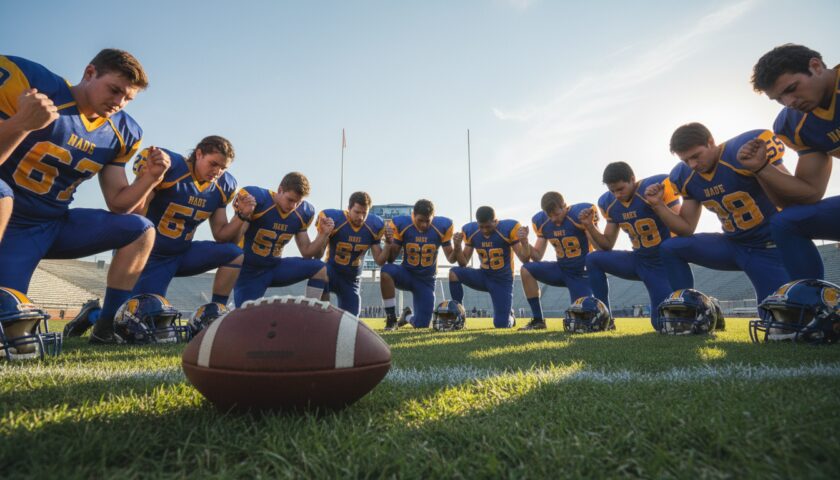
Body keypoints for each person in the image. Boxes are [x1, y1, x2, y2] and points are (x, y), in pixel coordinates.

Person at [0, 50, 166, 344]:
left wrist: (149, 179)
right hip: (7, 215)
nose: (119, 103)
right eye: (115, 90)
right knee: (10, 324)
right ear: (90, 73)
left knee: (141, 230)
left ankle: (105, 326)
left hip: (51, 224)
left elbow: (118, 203)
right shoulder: (30, 84)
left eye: (127, 98)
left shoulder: (121, 131)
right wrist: (20, 124)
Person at [64, 136, 251, 336]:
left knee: (233, 252)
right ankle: (95, 315)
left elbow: (222, 235)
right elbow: (135, 216)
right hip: (148, 257)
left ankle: (216, 315)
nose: (218, 171)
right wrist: (151, 178)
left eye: (223, 168)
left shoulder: (223, 187)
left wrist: (242, 216)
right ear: (198, 154)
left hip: (181, 253)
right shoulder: (172, 168)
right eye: (213, 164)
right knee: (142, 317)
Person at [650, 123, 790, 313]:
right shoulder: (685, 176)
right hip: (733, 244)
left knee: (777, 318)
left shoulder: (742, 153)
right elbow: (685, 228)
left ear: (710, 142)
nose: (692, 165)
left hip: (767, 246)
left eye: (695, 156)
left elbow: (791, 199)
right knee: (671, 247)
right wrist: (658, 205)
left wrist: (761, 166)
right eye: (686, 160)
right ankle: (690, 310)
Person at [738, 44, 840, 280]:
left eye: (792, 89)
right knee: (787, 222)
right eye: (779, 99)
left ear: (815, 66)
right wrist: (762, 169)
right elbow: (808, 194)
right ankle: (813, 305)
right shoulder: (794, 124)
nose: (789, 102)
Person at [581, 162, 680, 330]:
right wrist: (590, 226)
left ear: (632, 179)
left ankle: (708, 306)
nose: (617, 195)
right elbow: (606, 245)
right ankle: (604, 317)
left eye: (621, 189)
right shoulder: (609, 203)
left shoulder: (654, 188)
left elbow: (679, 227)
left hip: (661, 264)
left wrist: (658, 204)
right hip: (638, 259)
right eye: (612, 191)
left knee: (662, 324)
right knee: (593, 258)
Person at [233, 172, 332, 307]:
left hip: (275, 267)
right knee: (247, 319)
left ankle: (312, 315)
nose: (293, 206)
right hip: (249, 271)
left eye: (298, 202)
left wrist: (323, 235)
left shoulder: (302, 213)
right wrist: (243, 214)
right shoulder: (259, 201)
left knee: (320, 268)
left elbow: (307, 252)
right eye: (290, 200)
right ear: (280, 190)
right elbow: (234, 240)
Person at [519, 192, 595, 330]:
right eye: (550, 215)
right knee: (526, 269)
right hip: (561, 269)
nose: (553, 219)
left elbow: (597, 246)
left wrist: (589, 225)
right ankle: (538, 320)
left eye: (556, 214)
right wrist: (525, 242)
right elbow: (537, 256)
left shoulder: (578, 215)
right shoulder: (543, 222)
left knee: (582, 320)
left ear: (565, 206)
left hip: (581, 274)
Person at [381, 199, 456, 330]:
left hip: (426, 281)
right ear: (413, 214)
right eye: (420, 220)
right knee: (386, 271)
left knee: (422, 325)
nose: (424, 225)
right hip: (407, 275)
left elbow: (450, 258)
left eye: (428, 221)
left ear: (433, 216)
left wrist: (458, 246)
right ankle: (391, 318)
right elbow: (391, 259)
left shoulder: (442, 226)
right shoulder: (402, 224)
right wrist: (388, 243)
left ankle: (407, 317)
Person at [450, 206, 530, 328]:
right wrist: (457, 247)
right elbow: (463, 263)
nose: (485, 230)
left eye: (488, 226)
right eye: (481, 227)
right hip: (483, 276)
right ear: (477, 223)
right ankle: (459, 315)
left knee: (501, 324)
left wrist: (524, 242)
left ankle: (510, 316)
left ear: (495, 221)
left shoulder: (507, 229)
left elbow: (524, 259)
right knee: (453, 273)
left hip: (502, 280)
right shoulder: (471, 231)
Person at [318, 191, 391, 316]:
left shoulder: (374, 225)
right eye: (357, 212)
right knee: (317, 271)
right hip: (332, 272)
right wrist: (324, 234)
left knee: (351, 323)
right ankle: (322, 316)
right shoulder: (334, 219)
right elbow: (317, 255)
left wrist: (389, 243)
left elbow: (379, 260)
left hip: (351, 280)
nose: (361, 217)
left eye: (364, 213)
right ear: (348, 209)